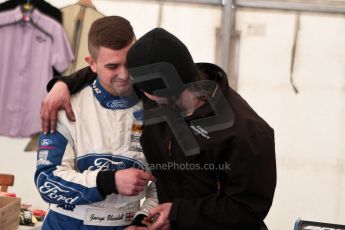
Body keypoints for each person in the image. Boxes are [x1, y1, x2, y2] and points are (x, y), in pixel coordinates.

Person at [41, 28, 276, 230]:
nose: (125, 81)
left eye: (136, 84)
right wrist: (62, 84)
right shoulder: (161, 89)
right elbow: (107, 67)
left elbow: (247, 209)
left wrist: (176, 214)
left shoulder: (247, 133)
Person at [34, 16, 158, 230]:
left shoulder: (155, 108)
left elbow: (164, 183)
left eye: (129, 63)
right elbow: (47, 181)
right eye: (112, 66)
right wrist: (109, 181)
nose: (124, 74)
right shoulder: (65, 105)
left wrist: (144, 220)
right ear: (91, 63)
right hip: (66, 224)